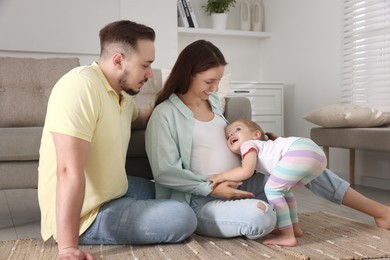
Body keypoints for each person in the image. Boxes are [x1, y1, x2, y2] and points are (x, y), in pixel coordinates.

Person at [145, 39, 390, 242]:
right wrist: (211, 187)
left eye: (219, 80)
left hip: (245, 180)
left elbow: (236, 138)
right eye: (210, 81)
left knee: (307, 163)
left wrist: (270, 144)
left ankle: (381, 212)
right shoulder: (165, 114)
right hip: (204, 197)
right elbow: (166, 173)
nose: (215, 88)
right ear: (188, 73)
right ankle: (265, 214)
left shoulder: (215, 102)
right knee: (259, 219)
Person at [38, 20, 197, 260]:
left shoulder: (120, 95)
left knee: (176, 190)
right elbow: (67, 170)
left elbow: (141, 118)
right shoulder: (80, 86)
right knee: (182, 216)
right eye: (145, 65)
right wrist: (68, 249)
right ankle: (73, 237)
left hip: (116, 190)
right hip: (87, 213)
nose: (149, 74)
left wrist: (185, 104)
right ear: (118, 60)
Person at [209, 119, 327, 247]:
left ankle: (287, 235)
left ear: (256, 134)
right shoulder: (267, 150)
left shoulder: (248, 145)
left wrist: (220, 176)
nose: (231, 135)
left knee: (272, 190)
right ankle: (294, 228)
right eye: (228, 135)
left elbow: (246, 171)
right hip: (317, 156)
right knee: (285, 192)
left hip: (299, 150)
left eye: (237, 129)